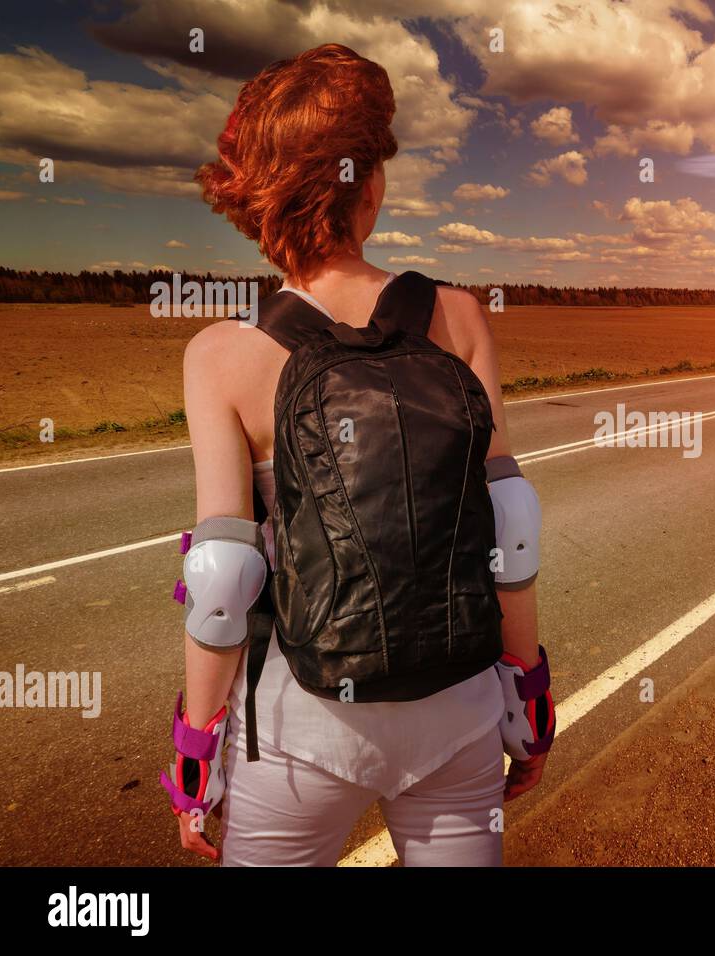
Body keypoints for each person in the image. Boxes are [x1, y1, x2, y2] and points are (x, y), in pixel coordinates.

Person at [160, 43, 552, 866]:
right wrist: (527, 700)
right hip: (461, 712)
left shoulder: (221, 354)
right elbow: (510, 530)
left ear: (258, 198)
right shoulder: (460, 316)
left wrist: (196, 763)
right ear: (368, 185)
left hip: (299, 732)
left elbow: (225, 580)